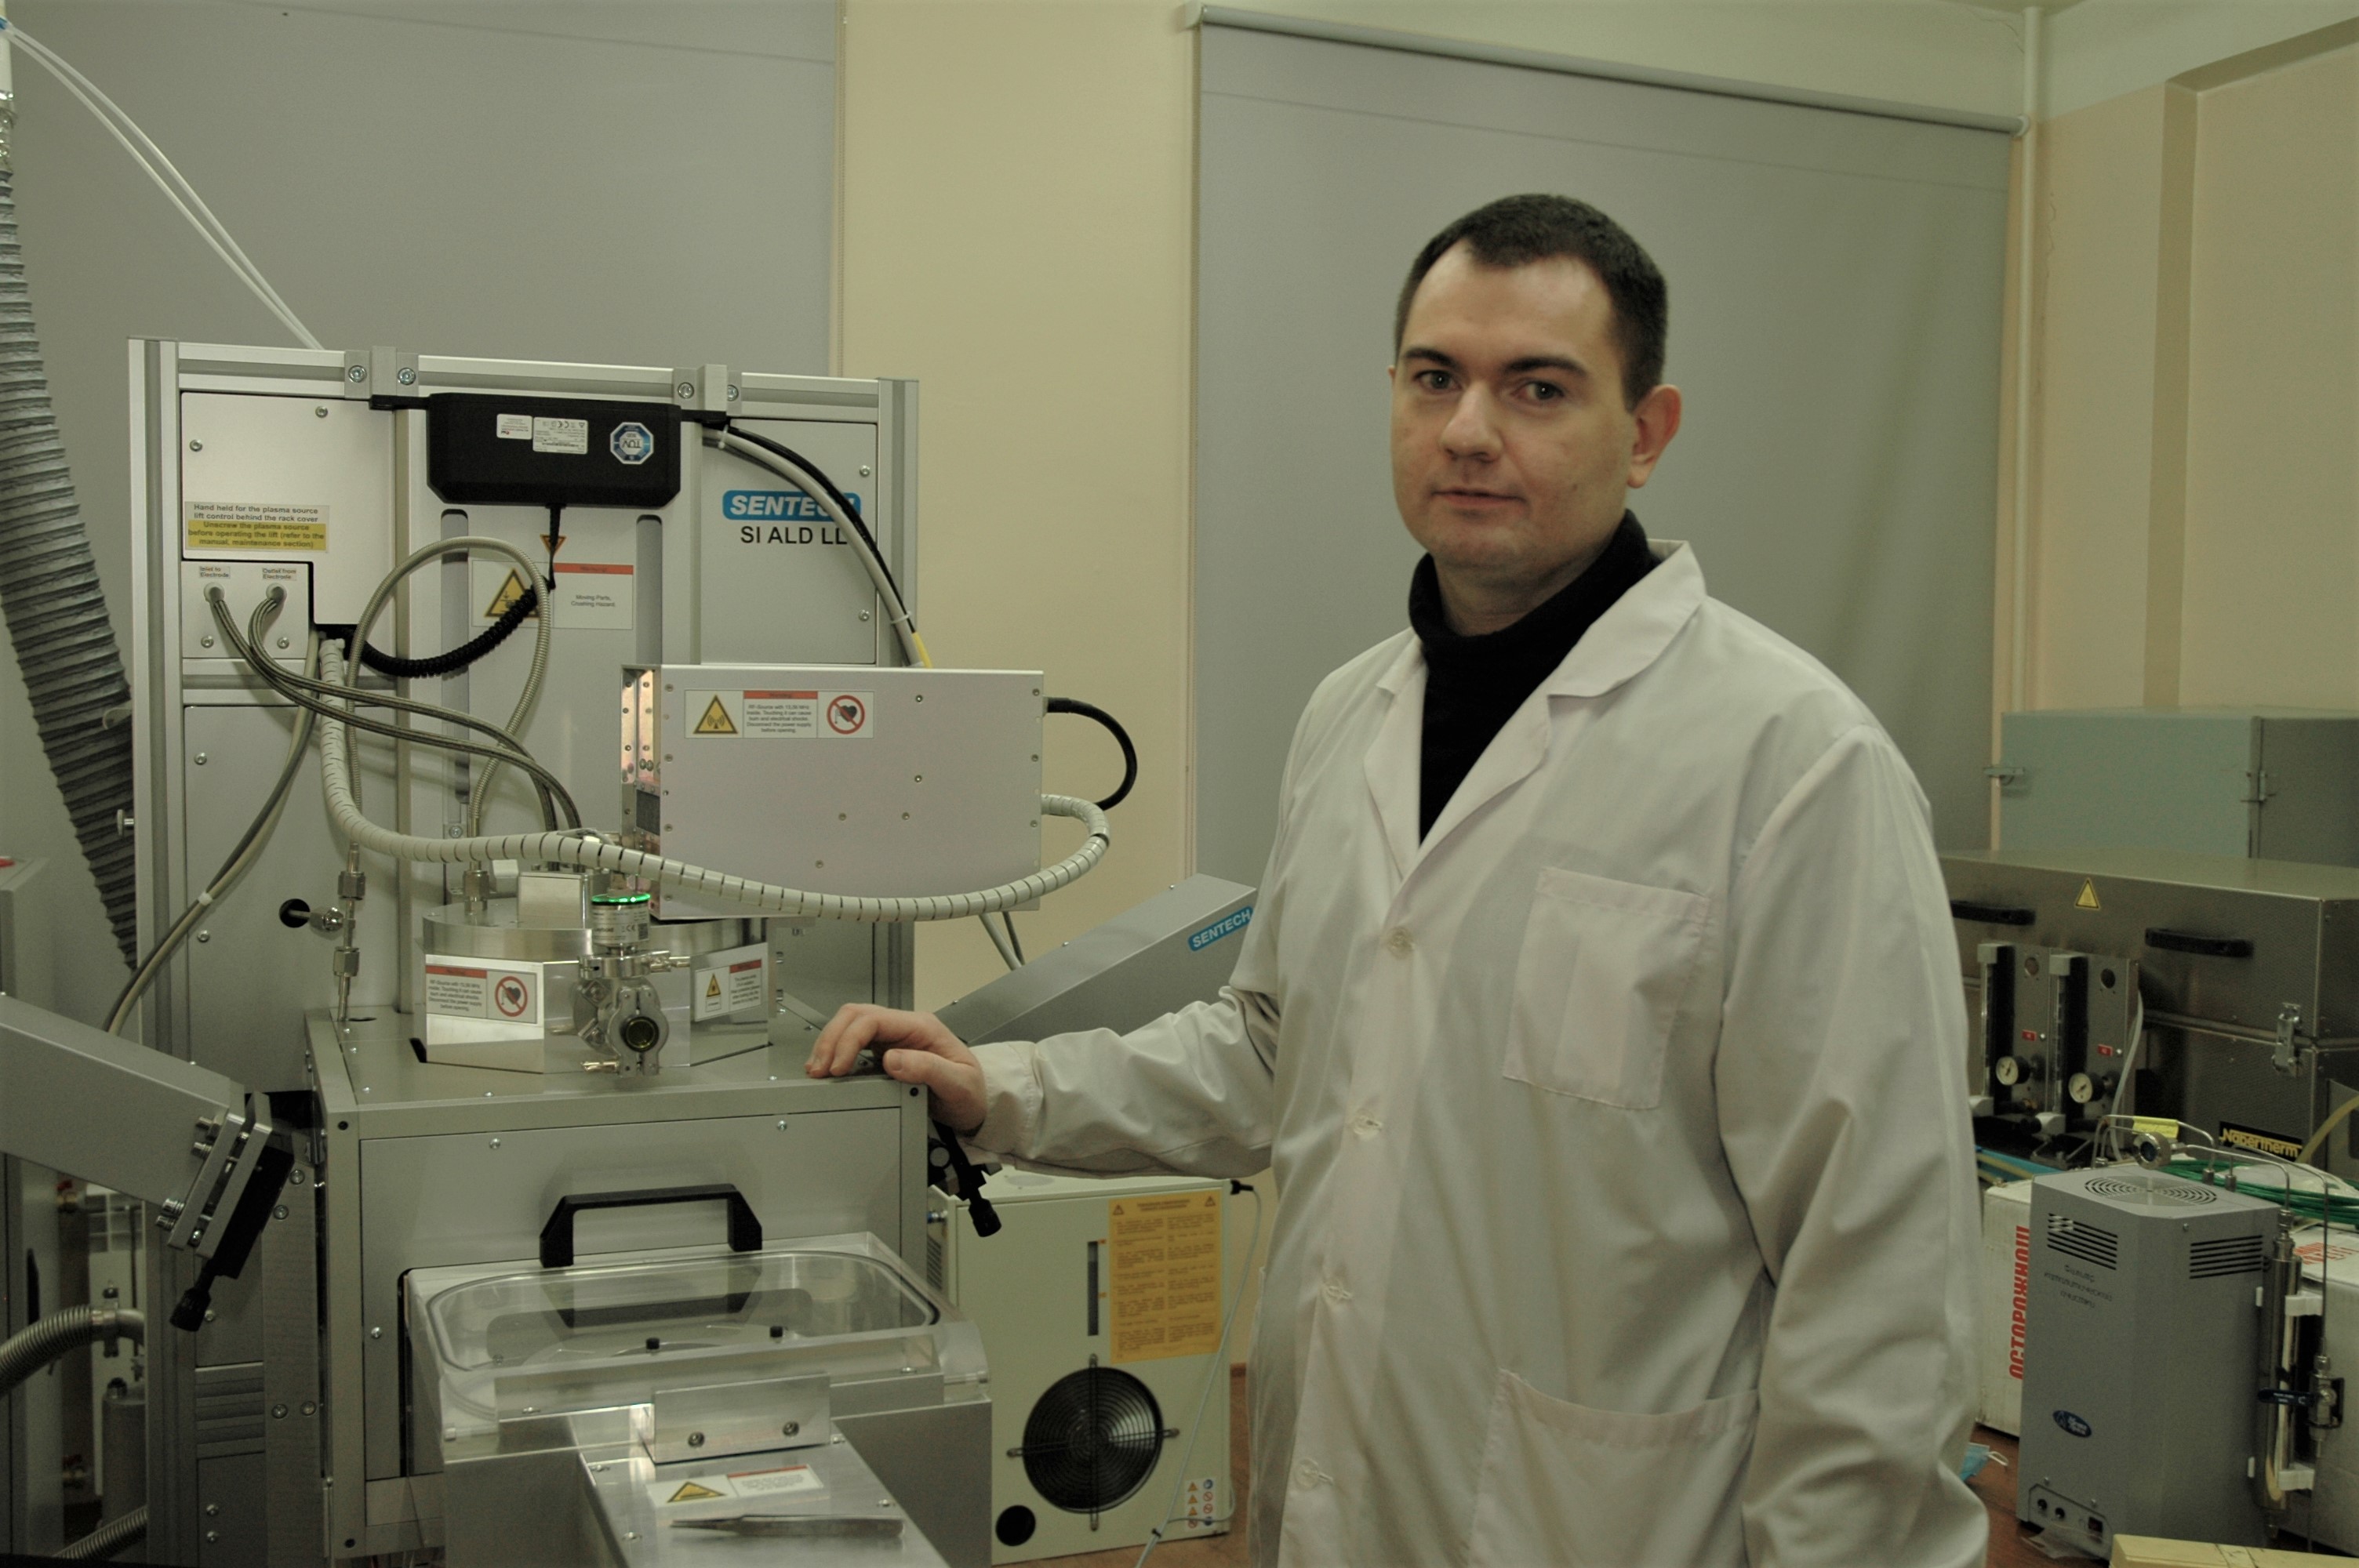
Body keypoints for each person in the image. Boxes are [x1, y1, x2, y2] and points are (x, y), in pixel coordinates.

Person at [810, 193, 1986, 1568]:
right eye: (1436, 378)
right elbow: (1277, 1055)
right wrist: (1004, 1091)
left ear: (1647, 432)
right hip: (1334, 1504)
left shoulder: (1794, 762)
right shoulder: (1349, 715)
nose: (1470, 430)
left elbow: (1879, 1275)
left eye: (1538, 388)